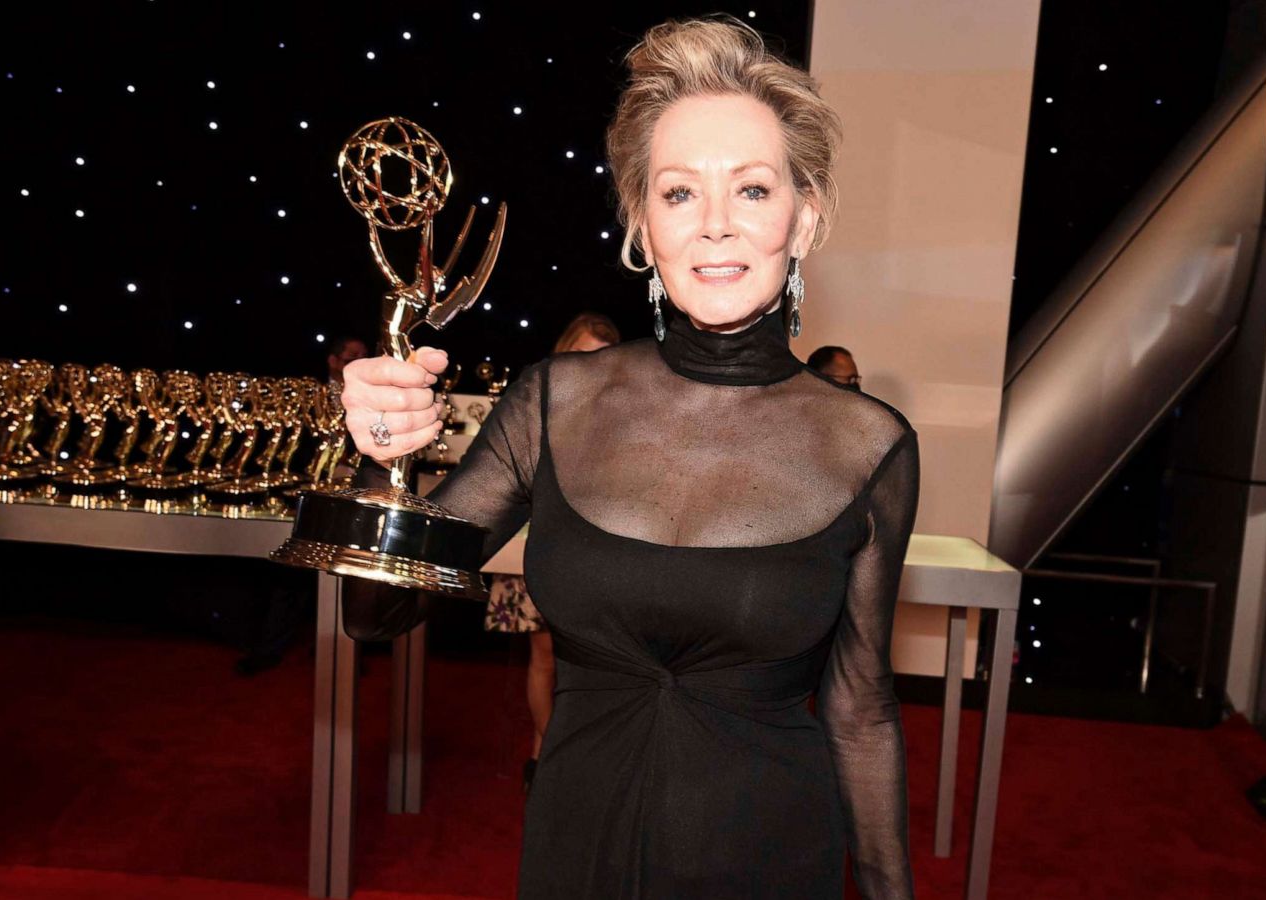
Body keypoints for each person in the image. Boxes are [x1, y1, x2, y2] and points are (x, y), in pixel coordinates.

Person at [340, 18, 918, 899]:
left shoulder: (868, 445)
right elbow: (371, 615)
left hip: (768, 858)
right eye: (680, 193)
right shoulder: (556, 401)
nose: (717, 227)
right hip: (575, 852)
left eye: (753, 190)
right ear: (641, 228)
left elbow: (861, 705)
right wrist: (380, 461)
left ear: (803, 220)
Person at [486, 312, 620, 791]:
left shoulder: (625, 414)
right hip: (532, 547)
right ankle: (543, 750)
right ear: (562, 353)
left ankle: (561, 754)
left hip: (591, 559)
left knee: (584, 666)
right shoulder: (531, 406)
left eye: (600, 358)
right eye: (581, 355)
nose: (589, 367)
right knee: (542, 655)